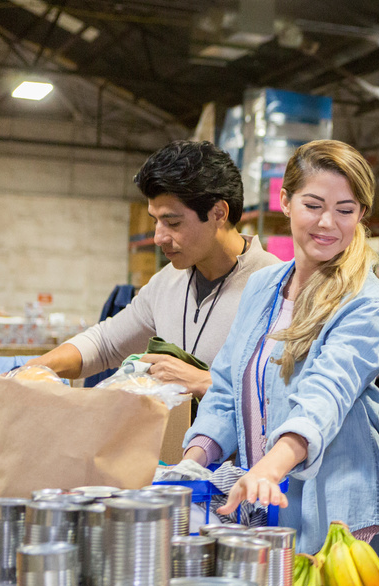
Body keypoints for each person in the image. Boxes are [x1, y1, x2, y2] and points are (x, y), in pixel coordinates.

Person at [180, 139, 379, 554]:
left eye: (345, 210)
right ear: (285, 200)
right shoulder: (264, 286)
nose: (328, 223)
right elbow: (227, 385)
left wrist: (269, 467)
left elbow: (324, 398)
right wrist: (193, 461)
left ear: (361, 216)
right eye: (313, 205)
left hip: (341, 519)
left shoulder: (367, 302)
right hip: (269, 501)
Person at [27, 140, 279, 396]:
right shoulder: (167, 283)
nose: (159, 237)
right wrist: (29, 371)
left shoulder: (278, 289)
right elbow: (105, 344)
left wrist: (206, 382)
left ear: (218, 213)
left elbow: (286, 393)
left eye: (173, 222)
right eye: (155, 221)